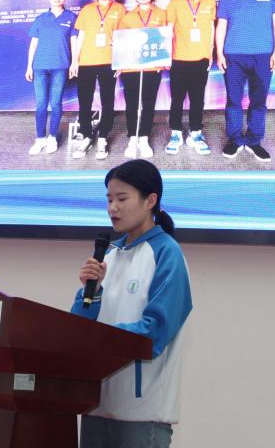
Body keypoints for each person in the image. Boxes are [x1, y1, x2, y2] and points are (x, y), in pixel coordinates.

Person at [72, 160, 192, 448]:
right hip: (95, 406)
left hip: (142, 414)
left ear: (150, 200)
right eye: (109, 199)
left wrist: (101, 340)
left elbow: (156, 331)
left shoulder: (167, 253)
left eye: (122, 199)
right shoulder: (108, 256)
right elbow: (77, 329)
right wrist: (90, 292)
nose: (113, 208)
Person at [215, 0, 275, 162]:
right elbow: (221, 27)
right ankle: (235, 139)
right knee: (233, 100)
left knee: (259, 100)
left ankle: (254, 140)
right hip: (233, 56)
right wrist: (219, 53)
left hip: (263, 55)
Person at [71, 0, 125, 160]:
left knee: (107, 100)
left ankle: (103, 137)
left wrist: (120, 60)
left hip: (109, 61)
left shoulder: (120, 9)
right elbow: (81, 36)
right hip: (86, 61)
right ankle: (86, 135)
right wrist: (75, 61)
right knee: (84, 100)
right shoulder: (87, 10)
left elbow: (122, 36)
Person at [164, 0, 216, 156]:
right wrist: (167, 56)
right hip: (178, 58)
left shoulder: (209, 2)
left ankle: (196, 133)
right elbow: (169, 30)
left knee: (197, 99)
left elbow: (211, 28)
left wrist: (210, 53)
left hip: (201, 58)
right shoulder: (175, 3)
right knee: (177, 99)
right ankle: (175, 133)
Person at [26, 0, 78, 154]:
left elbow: (74, 42)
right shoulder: (41, 18)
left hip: (60, 67)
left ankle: (52, 137)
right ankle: (40, 138)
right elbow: (33, 44)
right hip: (40, 67)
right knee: (41, 104)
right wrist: (29, 66)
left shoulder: (71, 17)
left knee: (55, 103)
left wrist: (74, 63)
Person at [118, 0, 167, 159]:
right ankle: (133, 137)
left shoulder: (161, 14)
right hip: (131, 67)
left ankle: (144, 137)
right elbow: (121, 42)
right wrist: (120, 64)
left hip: (153, 66)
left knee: (148, 102)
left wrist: (165, 60)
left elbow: (166, 38)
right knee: (131, 102)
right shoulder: (128, 17)